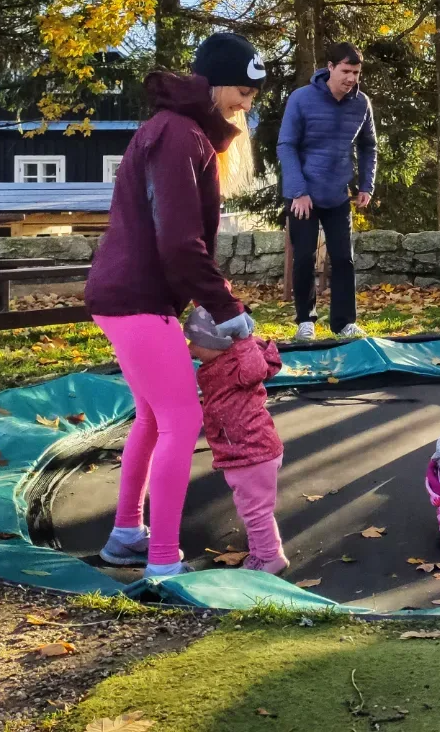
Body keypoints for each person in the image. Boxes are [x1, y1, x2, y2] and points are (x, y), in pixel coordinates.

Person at [85, 31, 266, 578]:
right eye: (241, 90)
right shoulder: (178, 135)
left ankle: (125, 534)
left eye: (254, 95)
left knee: (151, 417)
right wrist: (228, 308)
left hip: (132, 295)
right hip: (138, 298)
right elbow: (180, 242)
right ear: (212, 84)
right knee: (183, 421)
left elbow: (179, 242)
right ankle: (162, 561)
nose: (246, 104)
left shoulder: (182, 132)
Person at [277, 41, 377, 342]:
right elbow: (286, 145)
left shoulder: (362, 104)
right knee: (304, 257)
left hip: (337, 194)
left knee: (343, 258)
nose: (351, 79)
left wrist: (366, 185)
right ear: (330, 68)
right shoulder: (301, 99)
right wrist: (298, 191)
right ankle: (305, 321)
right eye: (346, 71)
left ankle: (344, 323)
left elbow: (368, 146)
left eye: (356, 72)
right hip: (303, 195)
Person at [185, 306, 287, 574]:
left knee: (256, 512)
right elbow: (191, 349)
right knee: (249, 509)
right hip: (238, 451)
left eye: (195, 342)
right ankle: (260, 554)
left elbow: (256, 371)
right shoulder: (218, 360)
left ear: (219, 343)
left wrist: (242, 338)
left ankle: (271, 556)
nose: (191, 348)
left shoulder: (239, 361)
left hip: (252, 450)